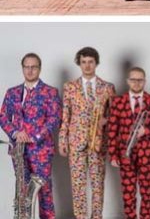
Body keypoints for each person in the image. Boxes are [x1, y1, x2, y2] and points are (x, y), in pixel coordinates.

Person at [0, 53, 61, 219]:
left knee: (44, 191)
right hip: (18, 151)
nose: (30, 70)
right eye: (27, 66)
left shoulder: (50, 92)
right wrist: (15, 133)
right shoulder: (12, 92)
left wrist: (34, 136)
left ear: (39, 69)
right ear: (22, 68)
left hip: (41, 150)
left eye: (34, 66)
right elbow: (3, 116)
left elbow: (54, 119)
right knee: (22, 191)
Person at [60, 46, 116, 219]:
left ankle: (97, 217)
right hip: (75, 142)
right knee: (78, 186)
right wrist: (62, 140)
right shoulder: (69, 87)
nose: (87, 66)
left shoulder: (108, 87)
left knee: (98, 185)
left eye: (90, 62)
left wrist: (105, 121)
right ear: (79, 63)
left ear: (96, 63)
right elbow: (65, 115)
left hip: (98, 142)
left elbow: (115, 116)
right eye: (83, 62)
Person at [105, 67, 150, 219]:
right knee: (128, 193)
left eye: (140, 80)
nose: (136, 83)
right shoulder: (118, 102)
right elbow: (112, 130)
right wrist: (113, 155)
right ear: (128, 81)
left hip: (147, 156)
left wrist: (147, 131)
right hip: (125, 155)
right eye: (133, 79)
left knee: (147, 193)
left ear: (144, 81)